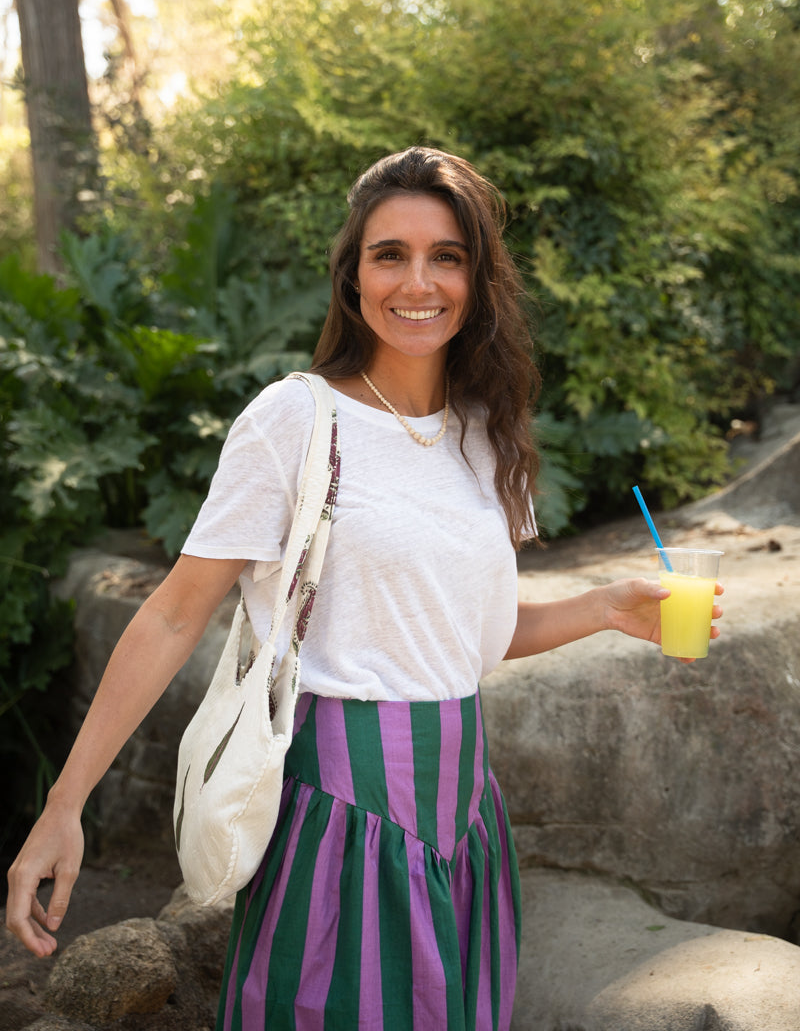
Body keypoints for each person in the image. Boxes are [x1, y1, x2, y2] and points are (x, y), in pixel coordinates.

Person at [6, 146, 722, 1029]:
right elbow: (172, 617)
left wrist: (606, 608)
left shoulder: (487, 433)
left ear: (478, 279)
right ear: (353, 276)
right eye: (390, 255)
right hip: (341, 818)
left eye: (446, 256)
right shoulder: (294, 419)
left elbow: (463, 636)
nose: (418, 282)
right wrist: (65, 804)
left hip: (466, 815)